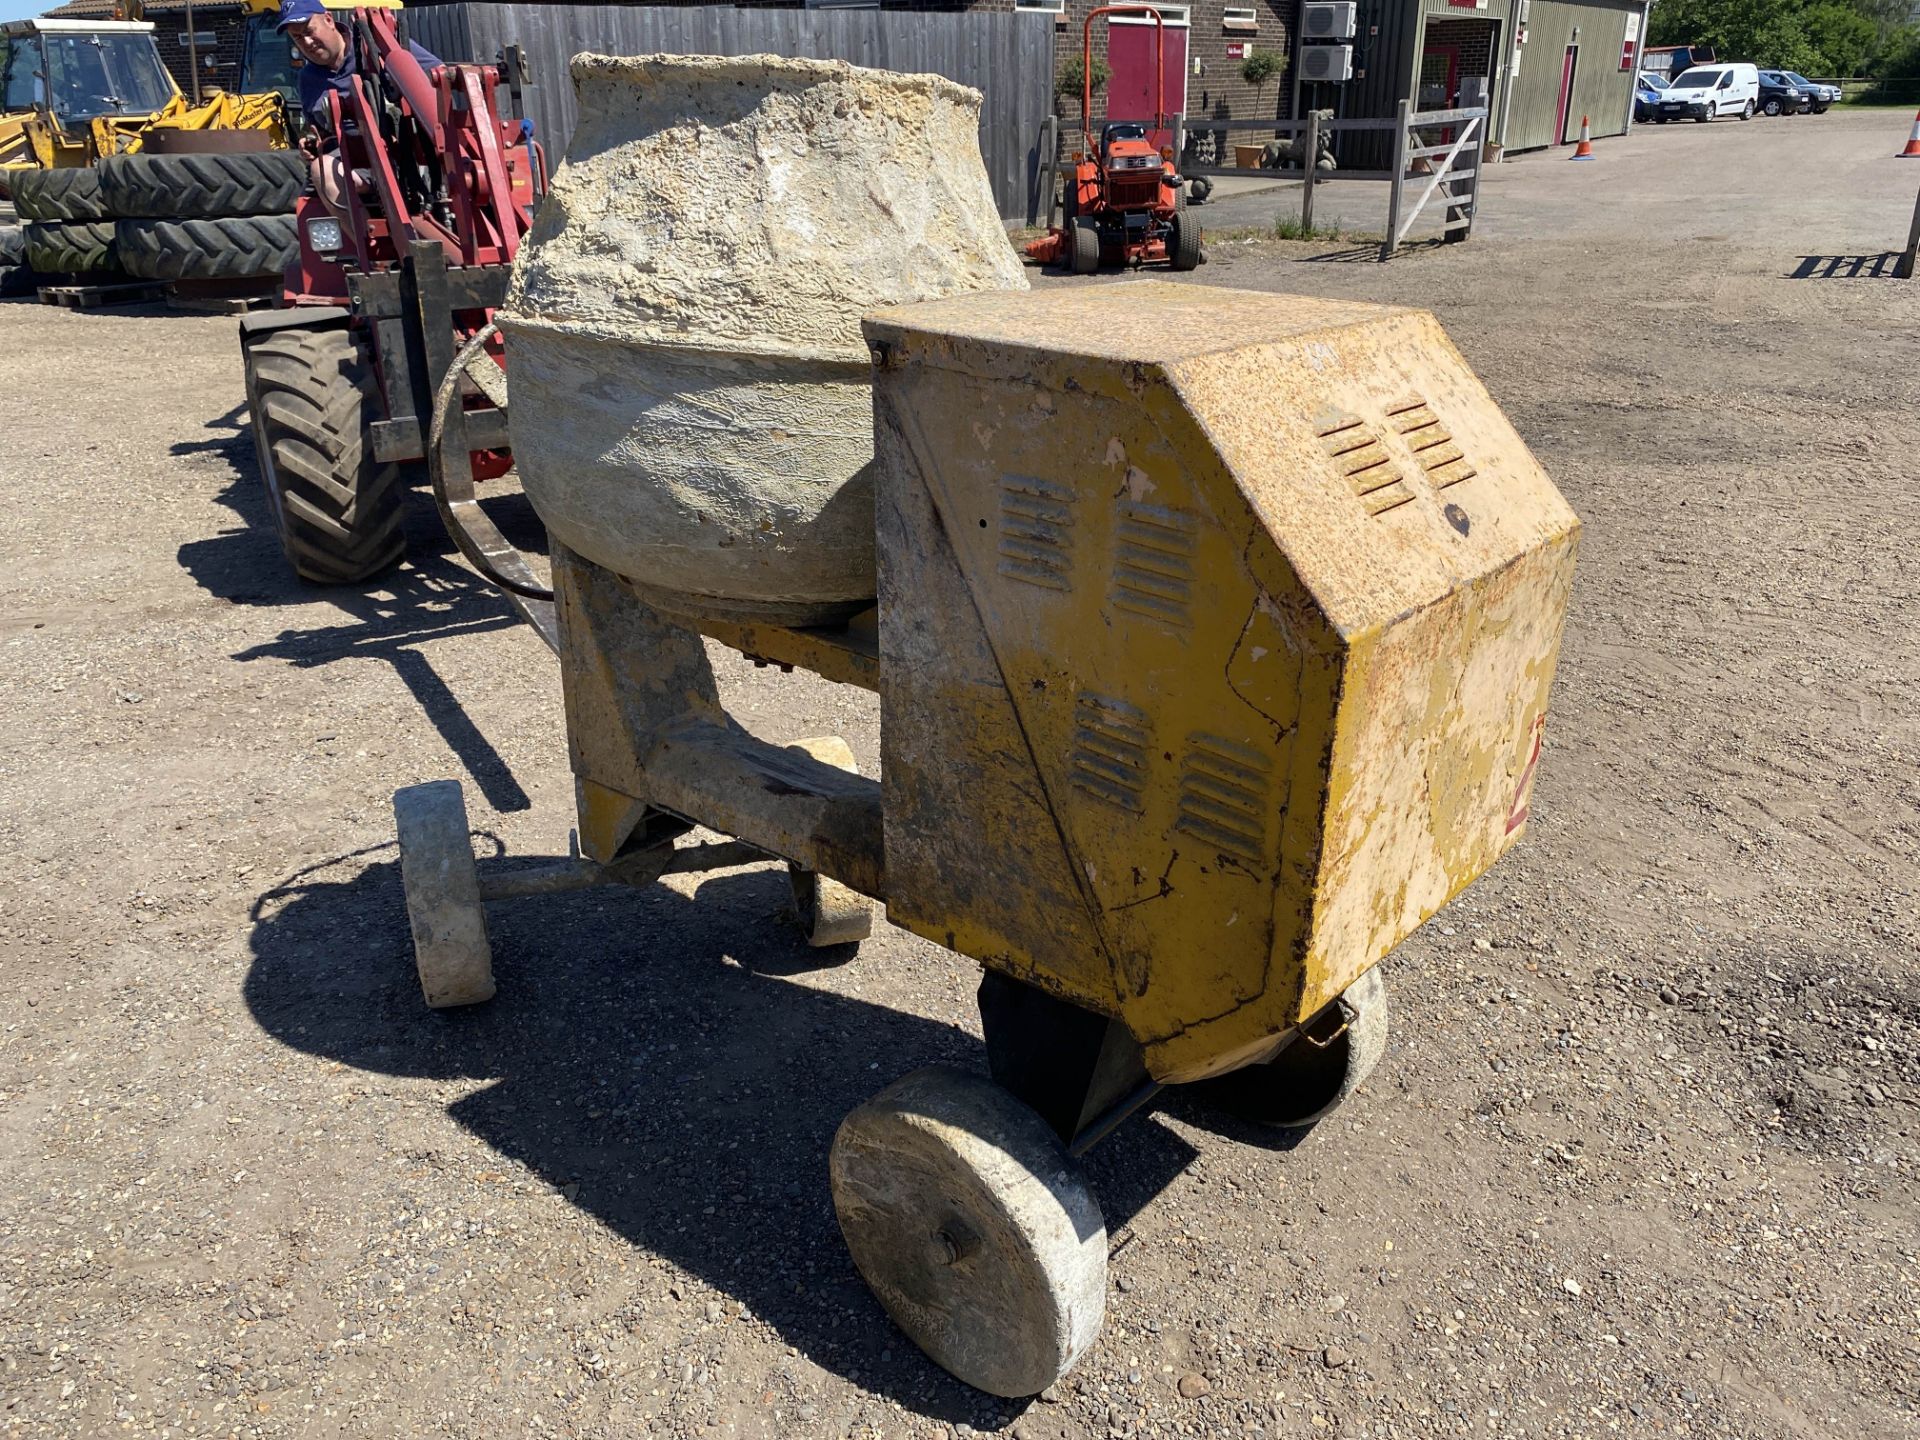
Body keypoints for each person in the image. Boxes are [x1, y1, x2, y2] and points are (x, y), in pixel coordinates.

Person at [276, 0, 440, 217]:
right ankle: (367, 242)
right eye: (297, 37)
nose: (307, 42)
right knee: (319, 173)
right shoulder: (308, 79)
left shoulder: (376, 48)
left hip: (406, 155)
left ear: (328, 20)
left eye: (309, 31)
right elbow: (318, 129)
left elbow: (439, 77)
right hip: (354, 163)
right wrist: (310, 143)